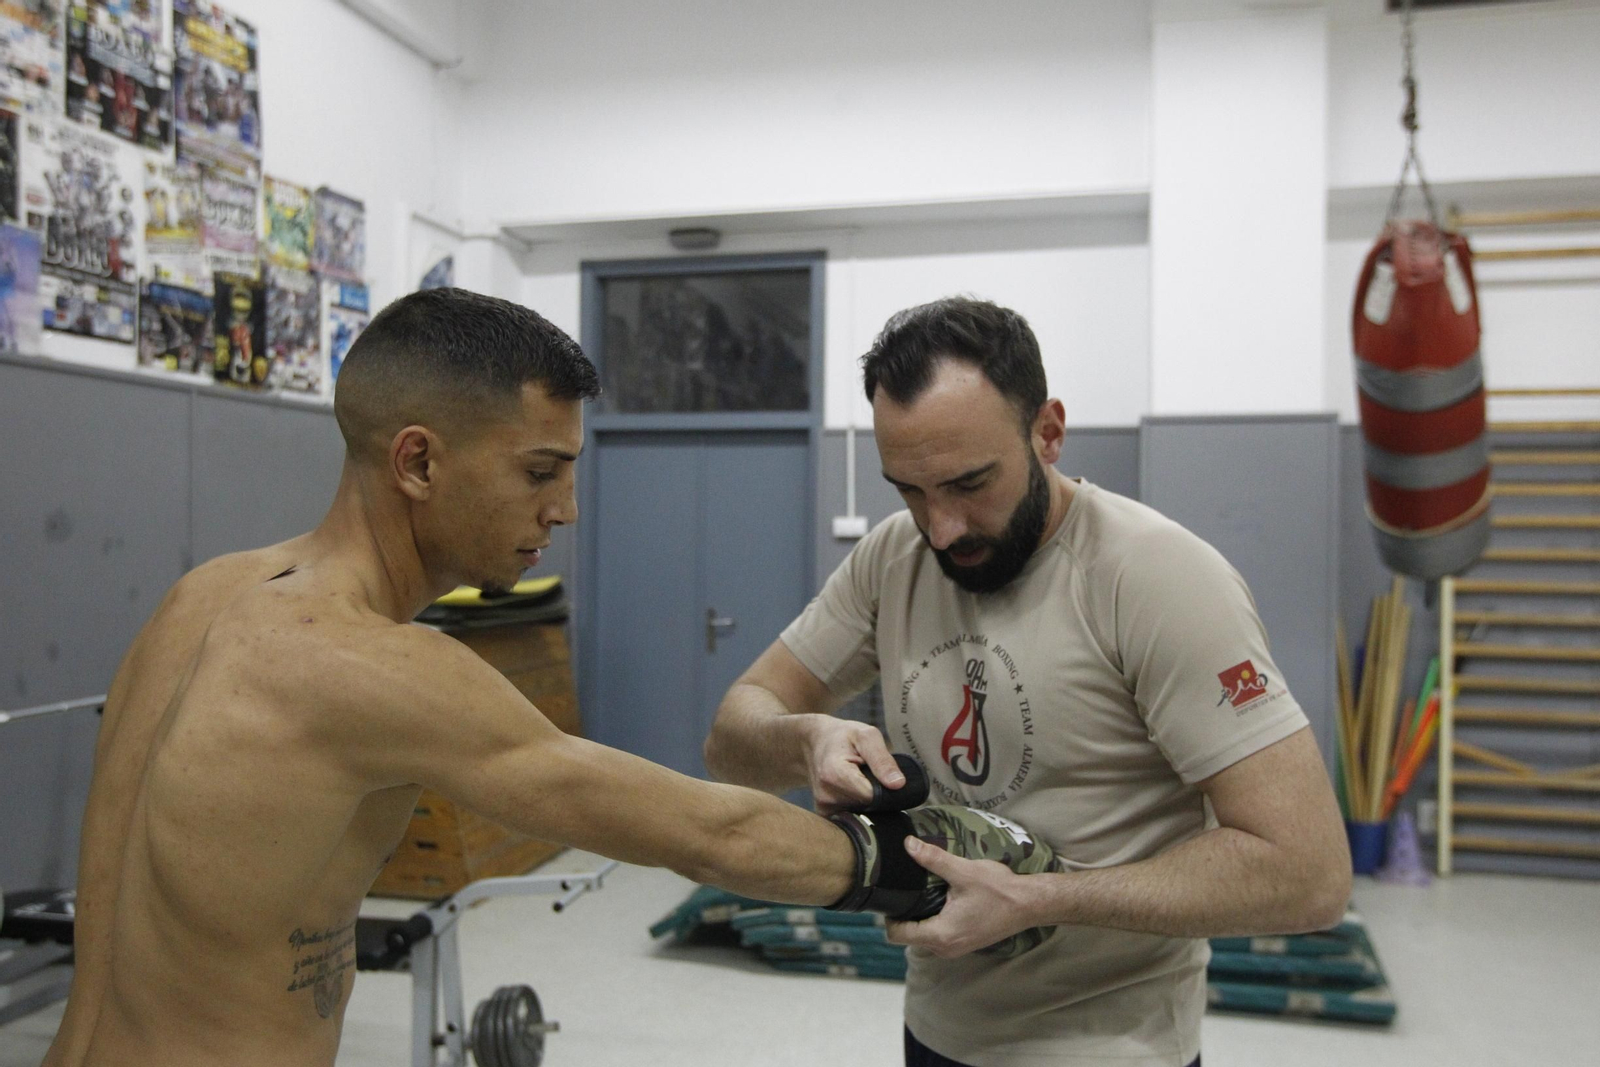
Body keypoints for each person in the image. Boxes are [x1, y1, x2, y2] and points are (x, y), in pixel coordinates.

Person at [45, 288, 888, 1067]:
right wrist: (904, 862)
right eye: (539, 471)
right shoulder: (367, 664)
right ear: (417, 462)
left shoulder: (202, 596)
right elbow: (709, 834)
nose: (566, 508)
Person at [705, 296, 1352, 1067]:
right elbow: (731, 738)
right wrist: (806, 738)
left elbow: (1309, 874)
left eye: (969, 482)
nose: (941, 527)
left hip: (1110, 1049)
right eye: (910, 489)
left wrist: (1041, 899)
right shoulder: (892, 559)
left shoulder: (1156, 577)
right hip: (937, 1032)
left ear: (1048, 431)